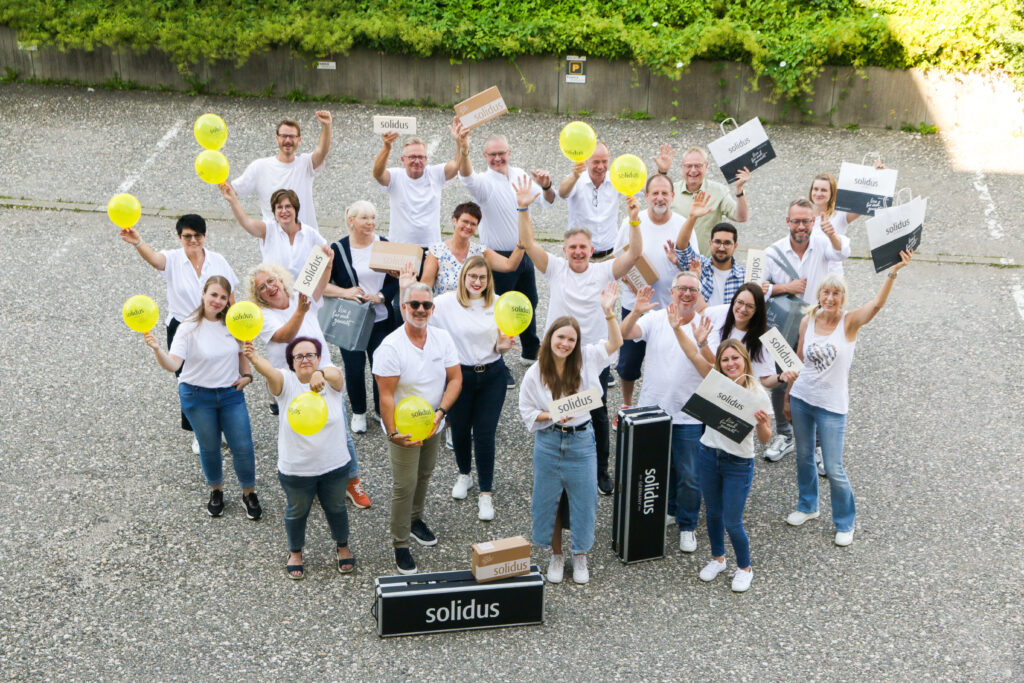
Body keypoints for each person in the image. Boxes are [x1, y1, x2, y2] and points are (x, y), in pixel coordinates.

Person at [515, 176, 642, 495]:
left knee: (596, 413)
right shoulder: (555, 268)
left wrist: (635, 219)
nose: (578, 252)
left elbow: (635, 254)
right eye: (572, 247)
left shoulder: (604, 270)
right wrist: (522, 208)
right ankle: (552, 465)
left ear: (591, 249)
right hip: (556, 354)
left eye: (583, 247)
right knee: (553, 407)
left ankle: (600, 470)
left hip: (592, 356)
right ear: (565, 249)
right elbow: (528, 244)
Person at [784, 251, 914, 547]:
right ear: (819, 295)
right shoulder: (809, 320)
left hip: (831, 406)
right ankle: (808, 506)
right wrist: (788, 398)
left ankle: (845, 522)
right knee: (803, 457)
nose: (830, 298)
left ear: (843, 297)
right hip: (803, 397)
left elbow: (878, 304)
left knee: (834, 466)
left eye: (836, 293)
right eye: (826, 292)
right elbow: (799, 359)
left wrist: (893, 271)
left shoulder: (850, 322)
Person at [669, 313, 792, 592]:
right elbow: (691, 352)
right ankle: (718, 558)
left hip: (738, 462)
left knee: (732, 520)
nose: (731, 363)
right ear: (720, 365)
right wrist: (680, 329)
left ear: (744, 360)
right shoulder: (715, 382)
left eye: (735, 358)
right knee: (712, 513)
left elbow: (765, 438)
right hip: (708, 454)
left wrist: (762, 424)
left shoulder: (756, 392)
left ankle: (745, 567)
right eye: (725, 360)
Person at [519, 283, 621, 585]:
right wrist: (550, 414)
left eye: (570, 339)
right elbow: (526, 410)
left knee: (584, 500)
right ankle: (556, 554)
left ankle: (580, 555)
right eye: (560, 337)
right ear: (550, 338)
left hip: (581, 441)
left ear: (577, 343)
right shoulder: (534, 372)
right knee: (548, 499)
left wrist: (608, 313)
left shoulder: (588, 358)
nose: (565, 343)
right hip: (549, 440)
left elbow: (615, 343)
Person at [248, 258, 371, 509]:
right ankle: (312, 482)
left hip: (324, 375)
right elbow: (284, 335)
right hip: (291, 383)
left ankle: (351, 481)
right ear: (258, 295)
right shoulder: (263, 315)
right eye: (262, 287)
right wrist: (301, 312)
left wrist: (327, 262)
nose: (269, 287)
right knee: (302, 433)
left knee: (341, 433)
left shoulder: (299, 298)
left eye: (271, 281)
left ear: (280, 280)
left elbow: (320, 285)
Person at [141, 276, 260, 520]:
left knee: (243, 447)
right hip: (197, 396)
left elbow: (242, 352)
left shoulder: (233, 324)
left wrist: (247, 375)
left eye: (223, 297)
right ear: (203, 294)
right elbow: (174, 364)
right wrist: (156, 350)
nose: (217, 301)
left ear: (228, 300)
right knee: (209, 447)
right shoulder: (188, 327)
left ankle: (249, 493)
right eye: (213, 295)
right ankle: (216, 490)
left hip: (230, 394)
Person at [120, 214, 239, 453]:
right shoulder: (173, 259)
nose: (193, 240)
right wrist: (138, 242)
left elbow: (231, 294)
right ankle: (199, 433)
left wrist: (235, 326)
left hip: (215, 326)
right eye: (187, 236)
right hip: (182, 327)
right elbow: (155, 260)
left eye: (197, 235)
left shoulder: (218, 261)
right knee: (188, 380)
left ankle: (222, 426)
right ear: (179, 237)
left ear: (205, 236)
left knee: (220, 374)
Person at [243, 337, 356, 579]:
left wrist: (322, 373)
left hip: (334, 465)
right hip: (296, 469)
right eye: (299, 356)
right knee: (297, 511)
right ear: (291, 363)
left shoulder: (331, 378)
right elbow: (269, 372)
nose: (305, 359)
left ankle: (342, 545)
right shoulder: (285, 383)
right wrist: (253, 358)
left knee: (336, 508)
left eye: (310, 355)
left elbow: (336, 375)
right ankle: (295, 552)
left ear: (318, 358)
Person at [374, 283, 462, 575]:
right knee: (404, 485)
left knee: (424, 474)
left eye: (426, 305)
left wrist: (441, 412)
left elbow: (455, 379)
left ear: (432, 309)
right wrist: (391, 432)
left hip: (433, 424)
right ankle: (400, 543)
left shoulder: (442, 338)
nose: (421, 310)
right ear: (403, 308)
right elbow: (385, 395)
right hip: (404, 429)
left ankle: (414, 520)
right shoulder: (390, 347)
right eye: (415, 305)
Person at [619, 275, 711, 553]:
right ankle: (670, 511)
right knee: (661, 468)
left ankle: (688, 526)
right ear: (671, 292)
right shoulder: (656, 319)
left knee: (690, 475)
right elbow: (624, 333)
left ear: (699, 294)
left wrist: (704, 343)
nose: (686, 293)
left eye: (693, 290)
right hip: (654, 410)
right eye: (681, 288)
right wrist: (635, 310)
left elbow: (713, 369)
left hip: (689, 414)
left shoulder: (705, 324)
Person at [456, 123, 555, 365]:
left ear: (509, 153)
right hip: (498, 257)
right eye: (493, 154)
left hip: (526, 253)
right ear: (485, 156)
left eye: (502, 153)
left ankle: (531, 350)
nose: (498, 158)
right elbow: (466, 175)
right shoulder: (483, 183)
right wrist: (463, 149)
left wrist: (546, 186)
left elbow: (548, 201)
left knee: (529, 302)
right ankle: (496, 360)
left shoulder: (521, 175)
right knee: (498, 310)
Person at [762, 198, 851, 463]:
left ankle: (820, 446)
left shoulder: (823, 244)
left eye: (806, 221)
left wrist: (833, 234)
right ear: (787, 222)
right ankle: (785, 434)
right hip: (780, 328)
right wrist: (784, 288)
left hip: (817, 327)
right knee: (781, 380)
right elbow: (755, 287)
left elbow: (843, 252)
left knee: (819, 380)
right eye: (796, 221)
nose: (801, 226)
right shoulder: (772, 252)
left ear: (813, 222)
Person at [428, 256, 516, 521]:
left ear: (488, 280)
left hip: (492, 375)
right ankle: (464, 474)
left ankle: (486, 494)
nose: (477, 282)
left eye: (482, 277)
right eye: (472, 277)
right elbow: (418, 319)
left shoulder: (500, 303)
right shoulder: (444, 303)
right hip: (459, 377)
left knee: (485, 434)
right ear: (463, 277)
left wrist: (504, 346)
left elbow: (501, 343)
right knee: (461, 430)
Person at [613, 173, 700, 423]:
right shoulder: (633, 220)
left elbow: (692, 268)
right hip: (636, 306)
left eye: (665, 193)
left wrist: (678, 263)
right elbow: (619, 257)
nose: (660, 198)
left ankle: (667, 409)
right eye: (655, 193)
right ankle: (627, 406)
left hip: (671, 311)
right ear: (646, 196)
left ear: (673, 196)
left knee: (670, 364)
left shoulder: (683, 225)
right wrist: (629, 280)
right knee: (629, 364)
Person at [323, 200, 399, 434]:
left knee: (382, 367)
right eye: (364, 217)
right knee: (354, 368)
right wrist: (345, 292)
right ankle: (358, 412)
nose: (370, 222)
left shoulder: (385, 245)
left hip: (382, 318)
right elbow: (318, 285)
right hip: (352, 321)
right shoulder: (336, 248)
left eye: (373, 217)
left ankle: (380, 410)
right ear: (351, 220)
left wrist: (380, 296)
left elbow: (396, 279)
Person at [230, 113, 333, 231]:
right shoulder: (260, 167)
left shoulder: (306, 165)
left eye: (292, 136)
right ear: (277, 138)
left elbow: (322, 151)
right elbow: (233, 190)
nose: (288, 140)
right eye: (284, 136)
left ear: (299, 140)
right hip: (275, 242)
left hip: (306, 241)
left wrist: (327, 126)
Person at [372, 124, 461, 247]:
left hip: (431, 247)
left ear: (426, 159)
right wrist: (387, 147)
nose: (417, 161)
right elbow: (377, 174)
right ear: (403, 159)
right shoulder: (395, 177)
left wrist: (460, 142)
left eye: (421, 157)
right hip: (400, 246)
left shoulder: (435, 174)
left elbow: (457, 165)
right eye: (412, 157)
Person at [654, 144, 750, 256]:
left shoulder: (719, 191)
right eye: (688, 166)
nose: (693, 170)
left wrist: (739, 189)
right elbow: (652, 195)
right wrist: (662, 171)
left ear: (706, 166)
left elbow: (741, 217)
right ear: (682, 167)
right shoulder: (670, 191)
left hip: (707, 263)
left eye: (698, 166)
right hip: (675, 261)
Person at [673, 191, 763, 307]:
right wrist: (692, 218)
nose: (721, 247)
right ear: (710, 243)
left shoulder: (745, 277)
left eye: (727, 243)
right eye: (717, 242)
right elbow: (682, 247)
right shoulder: (699, 266)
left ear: (735, 246)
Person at [220, 184, 326, 279]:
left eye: (288, 206)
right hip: (273, 295)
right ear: (274, 212)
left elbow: (326, 258)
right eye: (279, 207)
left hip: (302, 298)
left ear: (296, 209)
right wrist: (233, 201)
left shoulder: (310, 234)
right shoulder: (268, 230)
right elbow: (246, 222)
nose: (284, 211)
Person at [420, 202, 525, 298]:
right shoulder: (437, 252)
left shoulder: (480, 251)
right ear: (454, 220)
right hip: (445, 312)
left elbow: (509, 265)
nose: (468, 226)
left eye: (473, 224)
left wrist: (522, 243)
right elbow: (425, 287)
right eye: (465, 221)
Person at [557, 141, 621, 258]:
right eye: (596, 162)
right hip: (580, 256)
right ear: (586, 161)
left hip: (610, 255)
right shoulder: (576, 179)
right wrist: (575, 176)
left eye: (604, 161)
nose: (601, 167)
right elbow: (562, 193)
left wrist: (661, 171)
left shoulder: (616, 179)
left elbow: (647, 189)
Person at [807, 169, 878, 275]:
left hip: (831, 277)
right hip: (808, 274)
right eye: (815, 189)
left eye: (824, 190)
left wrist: (876, 174)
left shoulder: (840, 214)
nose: (818, 193)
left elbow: (865, 203)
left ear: (832, 193)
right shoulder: (803, 215)